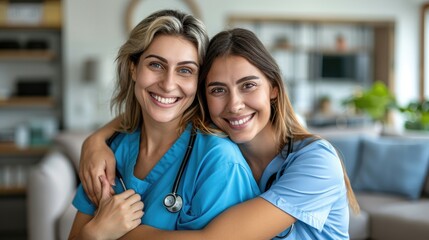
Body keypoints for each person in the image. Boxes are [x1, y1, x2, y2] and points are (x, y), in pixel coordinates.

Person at [79, 28, 360, 239]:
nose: (234, 105)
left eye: (248, 85)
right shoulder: (221, 145)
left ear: (273, 88)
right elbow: (159, 102)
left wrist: (101, 233)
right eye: (218, 90)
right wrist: (96, 140)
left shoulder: (316, 161)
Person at [68, 11, 260, 240]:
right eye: (156, 65)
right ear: (133, 68)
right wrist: (94, 233)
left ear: (198, 81)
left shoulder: (219, 162)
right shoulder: (112, 149)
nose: (168, 84)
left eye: (185, 70)